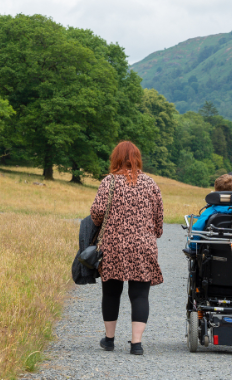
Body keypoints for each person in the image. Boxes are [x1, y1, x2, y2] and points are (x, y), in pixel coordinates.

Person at [90, 141, 164, 356]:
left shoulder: (109, 182)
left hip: (113, 244)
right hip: (143, 244)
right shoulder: (150, 183)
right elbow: (159, 217)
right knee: (140, 294)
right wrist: (152, 234)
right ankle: (136, 344)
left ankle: (110, 340)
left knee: (111, 292)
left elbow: (97, 212)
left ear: (116, 158)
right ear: (137, 158)